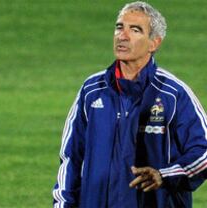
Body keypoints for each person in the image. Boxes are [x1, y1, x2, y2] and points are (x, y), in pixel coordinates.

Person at [52, 1, 207, 207]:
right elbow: (71, 158)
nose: (122, 36)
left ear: (154, 43)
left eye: (135, 30)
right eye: (119, 27)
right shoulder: (92, 91)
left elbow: (204, 153)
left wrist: (165, 175)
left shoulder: (173, 94)